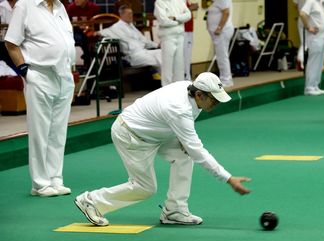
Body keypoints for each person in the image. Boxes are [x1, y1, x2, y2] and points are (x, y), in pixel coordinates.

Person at [74, 72, 251, 226]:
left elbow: (185, 137)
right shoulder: (179, 108)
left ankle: (174, 211)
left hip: (155, 133)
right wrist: (228, 178)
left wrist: (183, 140)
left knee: (185, 154)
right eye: (214, 99)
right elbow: (198, 150)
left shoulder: (189, 90)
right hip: (131, 135)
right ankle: (92, 201)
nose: (217, 103)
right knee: (145, 188)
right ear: (199, 95)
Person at [5, 0, 76, 196]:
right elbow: (11, 43)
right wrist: (25, 72)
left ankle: (55, 178)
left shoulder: (61, 7)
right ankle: (40, 184)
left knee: (58, 132)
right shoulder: (25, 5)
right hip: (39, 75)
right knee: (40, 132)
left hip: (64, 76)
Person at [98, 5, 161, 78]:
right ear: (121, 15)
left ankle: (168, 80)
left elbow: (143, 39)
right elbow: (104, 32)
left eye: (131, 13)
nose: (131, 16)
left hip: (144, 51)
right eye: (128, 14)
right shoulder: (116, 27)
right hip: (133, 56)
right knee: (154, 60)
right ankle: (162, 81)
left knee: (162, 53)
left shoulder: (131, 26)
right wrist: (96, 33)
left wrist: (156, 45)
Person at [154, 0, 191, 86]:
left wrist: (175, 18)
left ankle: (179, 88)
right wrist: (180, 21)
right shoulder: (159, 2)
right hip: (167, 37)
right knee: (167, 66)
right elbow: (163, 21)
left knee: (179, 65)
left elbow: (188, 15)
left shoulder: (179, 1)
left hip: (180, 35)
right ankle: (166, 90)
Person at [299, 0, 324, 96]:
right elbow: (302, 14)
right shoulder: (310, 2)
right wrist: (308, 27)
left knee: (319, 63)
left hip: (323, 36)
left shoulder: (319, 3)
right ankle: (309, 87)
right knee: (314, 62)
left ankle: (315, 85)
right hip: (316, 37)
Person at [207, 0, 234, 88]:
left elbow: (226, 13)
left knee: (222, 55)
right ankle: (224, 78)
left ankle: (226, 79)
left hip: (222, 31)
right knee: (220, 55)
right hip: (218, 32)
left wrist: (219, 28)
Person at [183, 0, 199, 81]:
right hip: (184, 30)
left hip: (189, 29)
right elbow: (180, 12)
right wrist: (191, 8)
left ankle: (187, 76)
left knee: (188, 55)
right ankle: (185, 76)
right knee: (184, 55)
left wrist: (191, 6)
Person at [293, 0, 307, 71]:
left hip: (300, 18)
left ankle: (301, 59)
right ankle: (301, 59)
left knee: (303, 42)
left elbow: (295, 6)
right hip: (309, 18)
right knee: (307, 42)